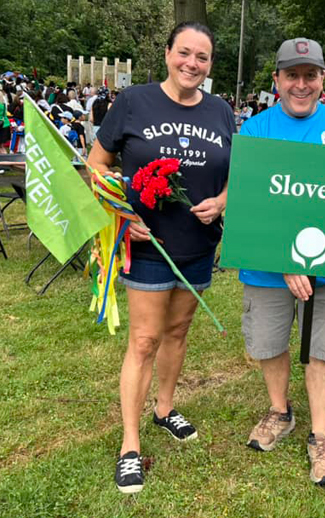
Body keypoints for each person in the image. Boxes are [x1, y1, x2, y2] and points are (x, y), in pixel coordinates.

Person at [88, 21, 236, 494]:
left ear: (211, 65)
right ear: (168, 53)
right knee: (145, 340)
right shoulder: (134, 102)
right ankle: (130, 445)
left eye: (203, 57)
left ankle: (165, 409)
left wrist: (224, 201)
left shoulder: (221, 111)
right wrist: (119, 209)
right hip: (147, 244)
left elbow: (235, 174)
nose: (192, 63)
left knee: (177, 332)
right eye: (185, 53)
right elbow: (96, 164)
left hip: (198, 245)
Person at [239, 37, 325, 487]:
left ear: (322, 79)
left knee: (322, 350)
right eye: (291, 74)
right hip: (266, 268)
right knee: (269, 344)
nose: (301, 83)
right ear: (276, 80)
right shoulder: (255, 130)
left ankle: (321, 435)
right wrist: (285, 259)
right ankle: (280, 411)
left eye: (310, 75)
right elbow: (252, 204)